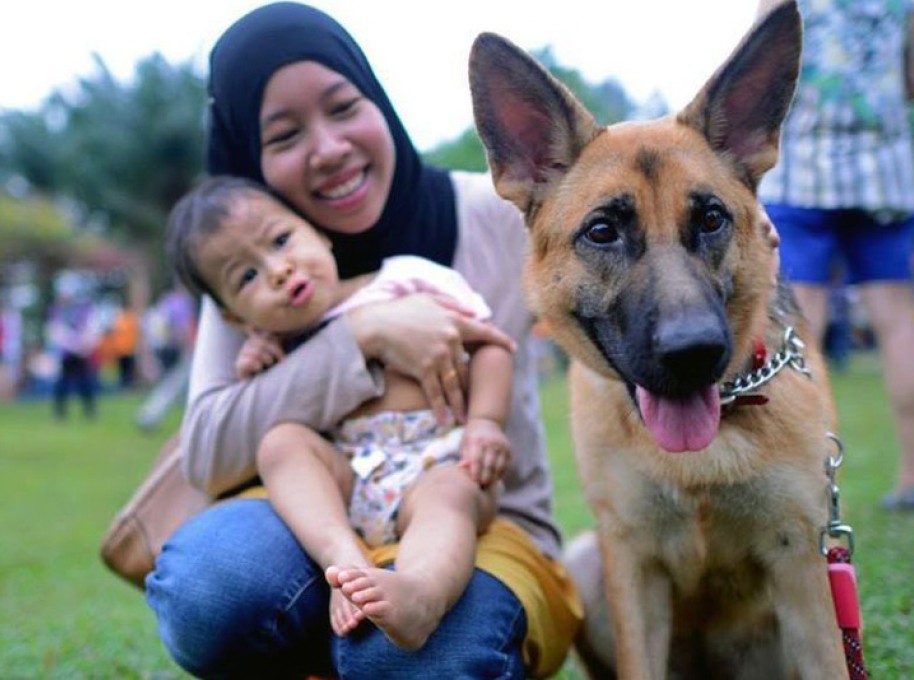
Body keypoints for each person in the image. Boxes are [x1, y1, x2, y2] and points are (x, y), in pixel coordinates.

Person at [144, 3, 582, 677]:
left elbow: (611, 212)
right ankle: (341, 606)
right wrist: (361, 335)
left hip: (472, 508)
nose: (328, 148)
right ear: (248, 161)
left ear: (378, 100)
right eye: (285, 135)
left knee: (408, 656)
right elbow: (207, 450)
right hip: (328, 511)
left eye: (344, 107)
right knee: (213, 586)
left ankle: (397, 620)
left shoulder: (493, 214)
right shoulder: (245, 277)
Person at [166, 175, 514, 650]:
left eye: (281, 240)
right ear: (237, 318)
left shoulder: (405, 279)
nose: (278, 270)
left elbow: (492, 345)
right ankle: (344, 562)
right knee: (280, 442)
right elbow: (257, 426)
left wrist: (485, 423)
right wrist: (255, 371)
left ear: (319, 231)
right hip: (349, 480)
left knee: (451, 495)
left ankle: (422, 593)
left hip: (439, 460)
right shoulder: (277, 349)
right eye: (246, 277)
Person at [756, 0, 914, 512]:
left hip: (806, 174)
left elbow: (758, 66)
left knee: (799, 323)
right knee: (900, 322)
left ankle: (798, 474)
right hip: (884, 175)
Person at [46, 278, 102, 420]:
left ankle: (89, 411)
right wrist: (72, 344)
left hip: (82, 352)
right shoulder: (57, 310)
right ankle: (60, 412)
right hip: (67, 354)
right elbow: (55, 332)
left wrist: (84, 344)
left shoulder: (84, 309)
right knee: (63, 384)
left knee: (85, 383)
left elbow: (91, 327)